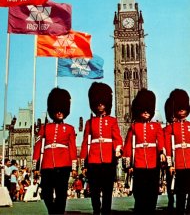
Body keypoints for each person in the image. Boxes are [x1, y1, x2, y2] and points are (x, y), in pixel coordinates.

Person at [33, 87, 78, 215]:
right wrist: (36, 166)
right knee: (46, 192)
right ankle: (53, 212)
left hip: (64, 164)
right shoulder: (44, 128)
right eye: (57, 109)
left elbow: (72, 148)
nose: (59, 112)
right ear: (52, 110)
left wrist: (74, 167)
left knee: (61, 193)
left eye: (61, 109)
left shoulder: (69, 128)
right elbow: (37, 146)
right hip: (47, 164)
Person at [80, 82, 123, 215]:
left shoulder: (112, 121)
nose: (100, 104)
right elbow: (85, 142)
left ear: (106, 103)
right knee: (94, 190)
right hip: (93, 161)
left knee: (107, 190)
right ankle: (96, 209)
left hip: (108, 160)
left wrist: (118, 149)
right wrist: (83, 162)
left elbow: (117, 138)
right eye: (97, 102)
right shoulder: (89, 122)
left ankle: (105, 211)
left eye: (102, 102)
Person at [122, 88, 166, 215]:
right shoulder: (134, 126)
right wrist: (128, 164)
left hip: (153, 163)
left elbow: (160, 141)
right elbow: (129, 145)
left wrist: (162, 153)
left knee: (152, 191)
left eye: (148, 109)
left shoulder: (156, 126)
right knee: (139, 190)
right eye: (144, 109)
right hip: (139, 163)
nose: (146, 112)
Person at [164, 89, 190, 215]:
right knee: (180, 193)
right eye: (179, 107)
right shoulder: (170, 128)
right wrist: (170, 164)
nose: (181, 110)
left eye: (183, 107)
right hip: (178, 164)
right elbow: (168, 147)